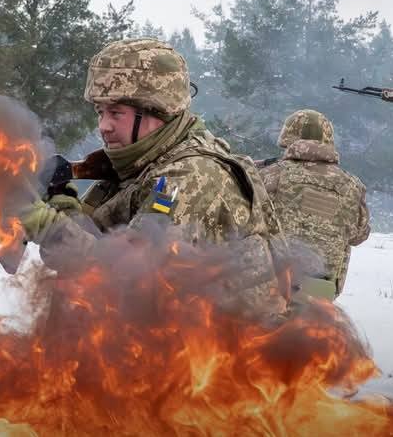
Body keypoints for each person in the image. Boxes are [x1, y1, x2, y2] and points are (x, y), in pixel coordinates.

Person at [20, 38, 287, 310]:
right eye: (100, 112)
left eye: (116, 113)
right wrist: (67, 209)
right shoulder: (142, 166)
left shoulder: (189, 176)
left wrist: (49, 227)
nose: (103, 126)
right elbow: (107, 244)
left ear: (157, 111)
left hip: (222, 346)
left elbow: (131, 278)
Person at [259, 110, 370, 300]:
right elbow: (359, 235)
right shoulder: (352, 186)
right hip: (322, 291)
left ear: (288, 138)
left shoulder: (272, 175)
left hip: (274, 285)